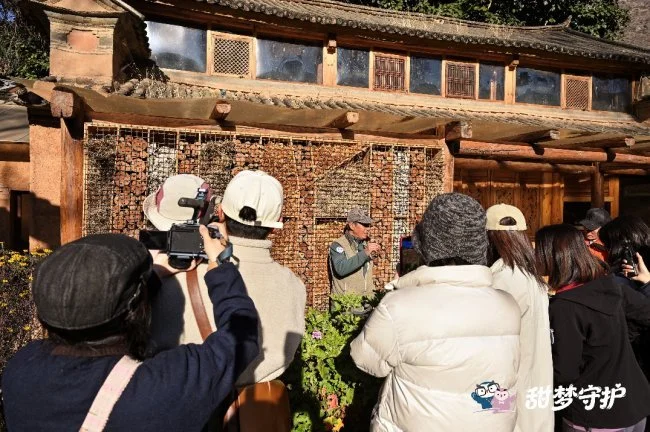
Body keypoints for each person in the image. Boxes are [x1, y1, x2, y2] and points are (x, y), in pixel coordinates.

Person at [1, 229, 259, 431]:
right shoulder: (164, 387)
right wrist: (220, 265)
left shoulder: (20, 371)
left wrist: (151, 279)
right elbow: (242, 337)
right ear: (138, 312)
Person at [350, 193, 521, 431]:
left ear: (424, 243)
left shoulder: (399, 306)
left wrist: (404, 284)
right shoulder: (508, 305)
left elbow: (366, 359)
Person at [146, 171, 306, 386]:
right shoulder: (294, 286)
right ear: (277, 223)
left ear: (220, 212)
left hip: (179, 395)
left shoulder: (174, 274)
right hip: (254, 405)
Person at [535, 224, 650, 432]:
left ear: (552, 256)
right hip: (633, 403)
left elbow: (565, 371)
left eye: (538, 251)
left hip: (596, 411)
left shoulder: (564, 306)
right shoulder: (610, 285)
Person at [486, 203, 553, 432]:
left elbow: (499, 353)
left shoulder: (502, 279)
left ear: (489, 239)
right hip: (535, 391)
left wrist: (497, 409)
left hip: (510, 396)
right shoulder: (531, 276)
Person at [329, 207, 380, 295]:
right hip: (346, 301)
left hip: (367, 301)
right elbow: (341, 269)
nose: (368, 228)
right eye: (364, 225)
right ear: (352, 225)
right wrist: (365, 253)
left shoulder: (365, 244)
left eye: (368, 225)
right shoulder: (338, 245)